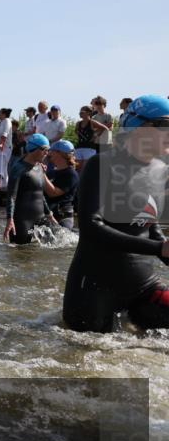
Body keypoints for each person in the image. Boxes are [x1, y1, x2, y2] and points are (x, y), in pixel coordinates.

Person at [64, 95, 169, 333]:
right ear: (138, 127)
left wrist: (164, 249)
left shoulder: (160, 170)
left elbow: (149, 225)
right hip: (94, 289)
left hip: (144, 286)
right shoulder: (101, 164)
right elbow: (91, 227)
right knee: (87, 354)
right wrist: (159, 248)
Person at [3, 133, 57, 244]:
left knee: (52, 248)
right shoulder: (18, 168)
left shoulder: (39, 167)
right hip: (22, 221)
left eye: (48, 150)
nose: (47, 153)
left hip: (41, 219)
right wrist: (10, 219)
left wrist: (49, 214)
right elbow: (11, 196)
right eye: (45, 150)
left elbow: (40, 194)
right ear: (34, 149)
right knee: (20, 252)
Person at [43, 140, 78, 229]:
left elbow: (53, 193)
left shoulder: (71, 174)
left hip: (62, 218)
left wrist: (42, 174)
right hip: (50, 216)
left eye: (51, 151)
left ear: (59, 153)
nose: (49, 153)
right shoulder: (52, 173)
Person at [0, 108, 13, 189]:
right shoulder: (1, 122)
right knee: (2, 167)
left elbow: (5, 133)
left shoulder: (7, 121)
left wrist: (1, 144)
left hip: (4, 148)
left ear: (4, 114)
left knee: (0, 165)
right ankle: (4, 185)